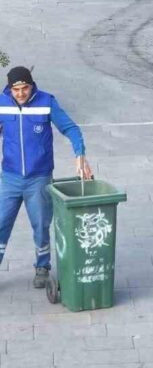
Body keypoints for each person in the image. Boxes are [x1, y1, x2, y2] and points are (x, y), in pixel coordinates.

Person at [0, 66, 93, 288]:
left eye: (25, 88)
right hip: (10, 178)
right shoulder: (2, 104)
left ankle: (42, 267)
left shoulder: (46, 102)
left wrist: (80, 154)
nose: (21, 93)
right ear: (9, 89)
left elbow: (71, 128)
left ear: (32, 85)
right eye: (16, 89)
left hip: (39, 178)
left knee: (41, 224)